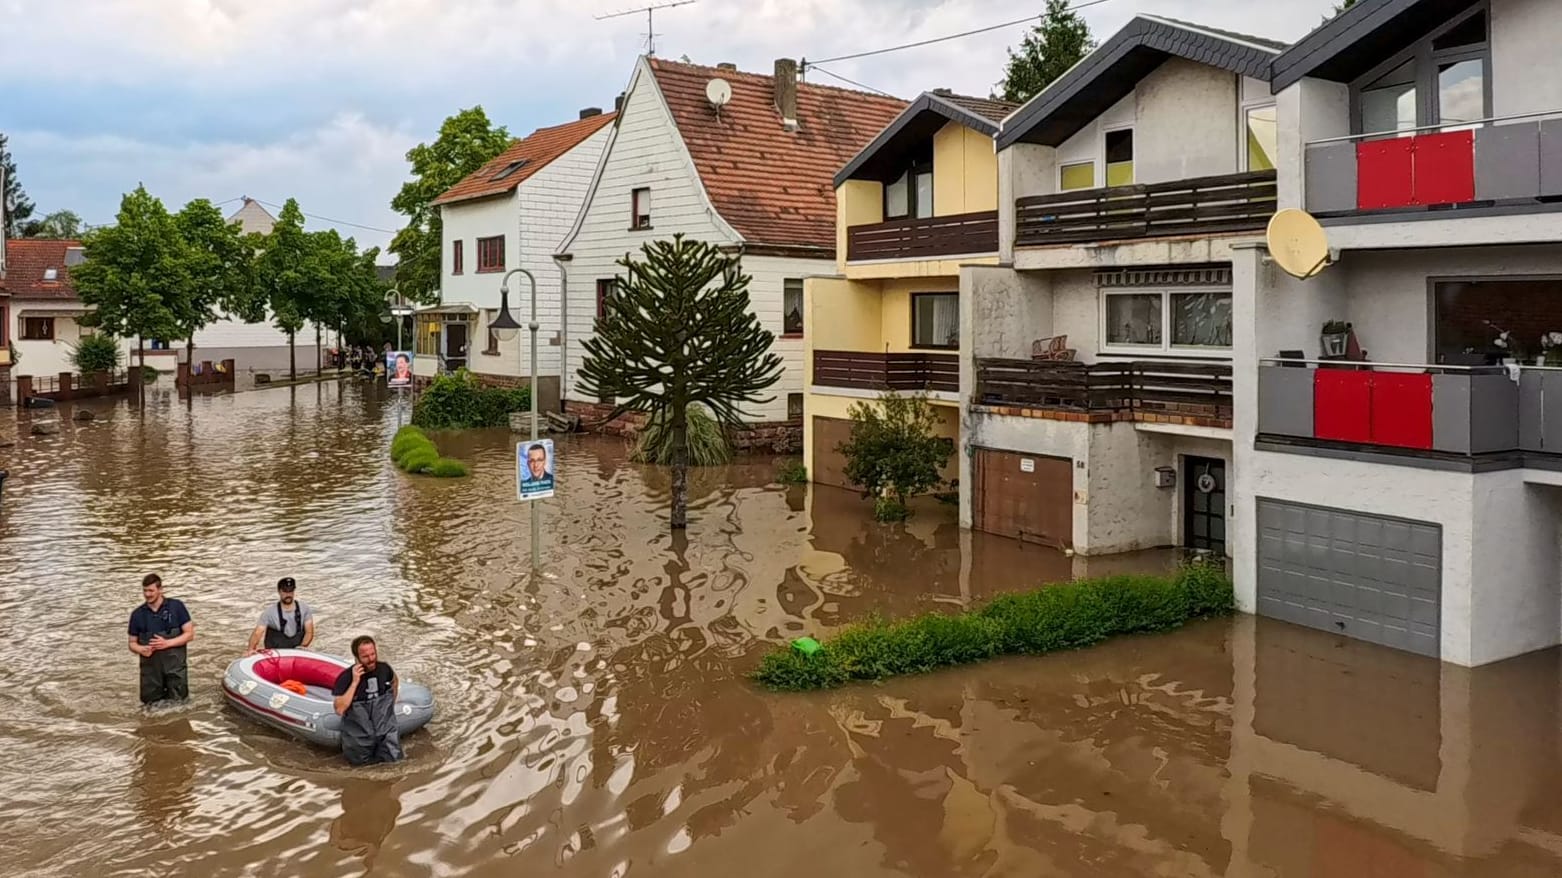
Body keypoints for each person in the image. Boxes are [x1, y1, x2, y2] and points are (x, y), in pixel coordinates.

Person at [332, 635, 403, 766]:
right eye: (365, 657)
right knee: (362, 767)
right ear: (356, 658)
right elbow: (340, 708)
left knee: (395, 762)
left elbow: (394, 681)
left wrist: (390, 706)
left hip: (385, 730)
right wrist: (355, 682)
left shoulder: (384, 669)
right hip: (359, 736)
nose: (371, 659)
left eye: (373, 654)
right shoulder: (345, 678)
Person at [127, 574, 194, 705]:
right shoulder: (137, 615)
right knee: (150, 707)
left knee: (180, 705)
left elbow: (190, 634)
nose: (147, 594)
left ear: (160, 589)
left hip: (175, 669)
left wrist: (167, 643)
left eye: (151, 590)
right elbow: (131, 643)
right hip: (150, 673)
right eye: (145, 590)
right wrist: (141, 649)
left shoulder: (177, 607)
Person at [245, 576, 315, 654]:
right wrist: (250, 649)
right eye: (285, 591)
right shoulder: (269, 612)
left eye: (290, 591)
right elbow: (257, 633)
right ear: (279, 592)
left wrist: (302, 647)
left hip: (298, 651)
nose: (288, 594)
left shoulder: (304, 609)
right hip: (275, 654)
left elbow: (309, 632)